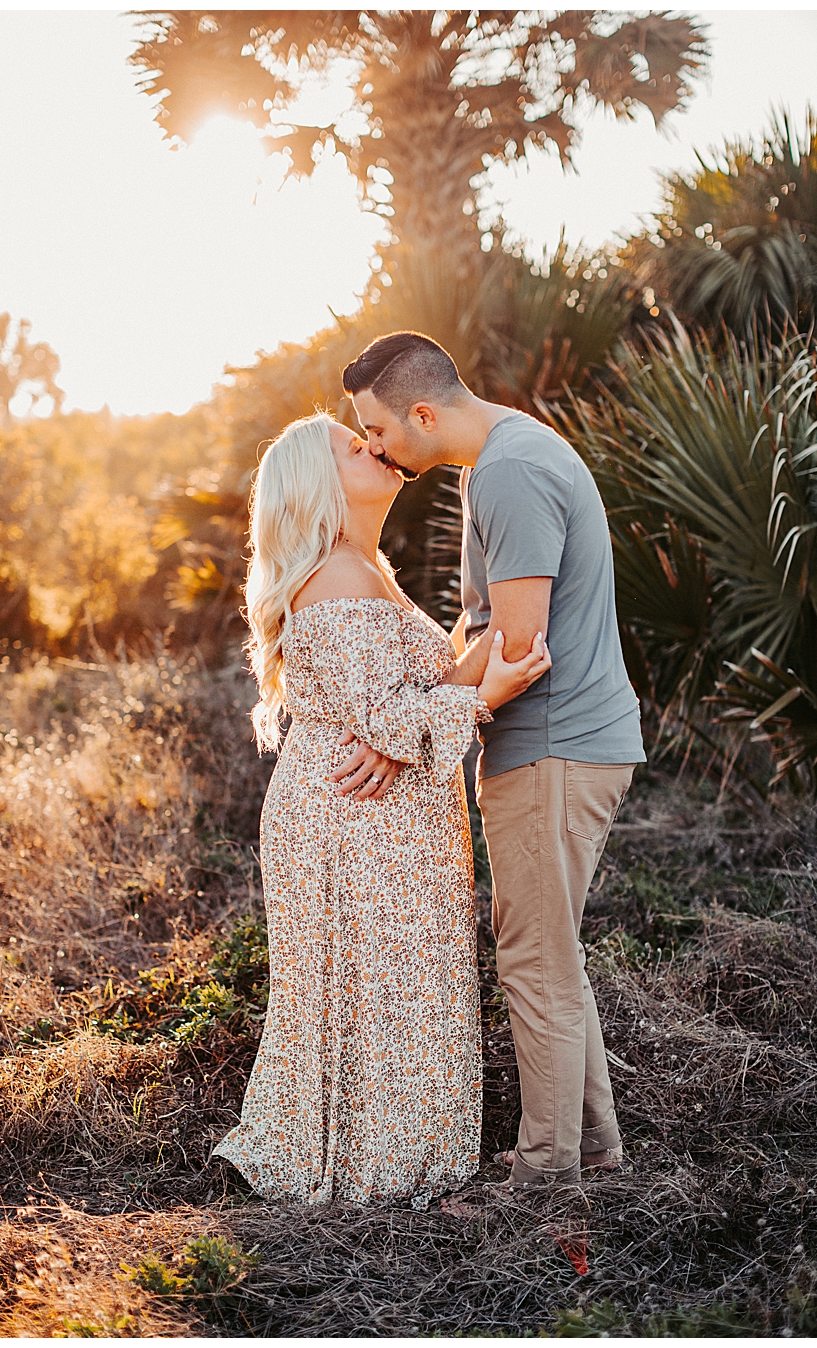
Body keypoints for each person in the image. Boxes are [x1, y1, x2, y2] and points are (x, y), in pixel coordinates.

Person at [212, 412, 550, 1208]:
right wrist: (488, 692)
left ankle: (401, 1157)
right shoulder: (334, 576)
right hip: (347, 817)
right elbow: (393, 719)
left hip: (378, 814)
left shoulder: (369, 569)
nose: (373, 445)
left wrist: (497, 626)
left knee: (401, 987)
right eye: (350, 444)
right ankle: (378, 1170)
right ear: (318, 484)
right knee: (380, 993)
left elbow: (412, 705)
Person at [340, 330, 645, 1189]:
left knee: (531, 960)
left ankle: (545, 1179)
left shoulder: (510, 469)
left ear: (424, 412)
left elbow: (518, 643)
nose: (373, 449)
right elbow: (482, 631)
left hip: (553, 746)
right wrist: (424, 709)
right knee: (551, 952)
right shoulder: (497, 459)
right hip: (548, 744)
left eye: (378, 431)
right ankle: (593, 1150)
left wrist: (405, 731)